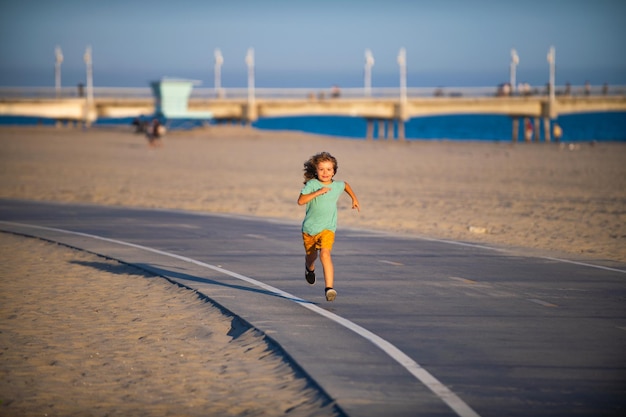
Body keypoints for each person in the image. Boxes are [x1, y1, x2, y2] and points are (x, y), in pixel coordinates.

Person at [297, 152, 360, 302]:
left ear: (334, 171)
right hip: (310, 229)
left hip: (328, 228)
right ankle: (309, 268)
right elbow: (301, 201)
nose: (325, 173)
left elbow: (345, 185)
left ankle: (329, 288)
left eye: (329, 169)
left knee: (325, 254)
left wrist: (354, 199)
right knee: (311, 257)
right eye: (321, 169)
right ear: (316, 170)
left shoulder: (337, 185)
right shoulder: (312, 185)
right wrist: (318, 192)